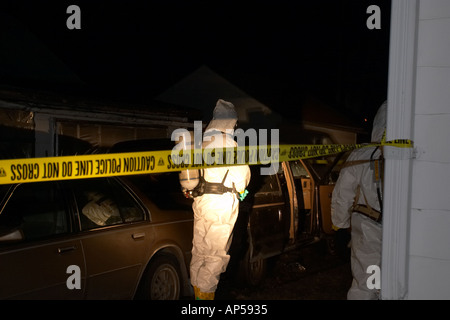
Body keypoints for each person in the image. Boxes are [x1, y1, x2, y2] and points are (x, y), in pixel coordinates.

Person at [190, 99, 251, 300]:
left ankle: (197, 294)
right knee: (215, 255)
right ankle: (205, 300)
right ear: (229, 122)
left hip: (201, 202)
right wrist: (242, 192)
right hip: (221, 204)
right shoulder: (229, 144)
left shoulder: (199, 142)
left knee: (199, 251)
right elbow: (242, 178)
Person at [331, 101, 387, 300]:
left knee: (368, 283)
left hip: (369, 229)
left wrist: (340, 225)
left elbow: (343, 193)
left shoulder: (362, 155)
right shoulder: (414, 154)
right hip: (404, 231)